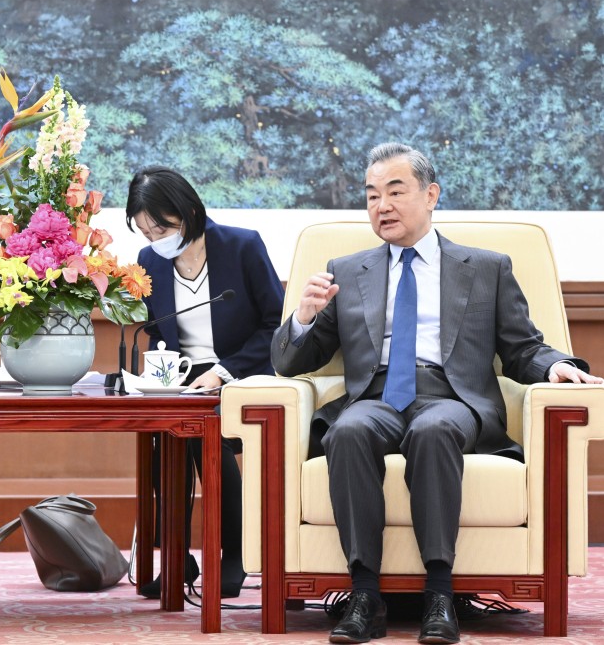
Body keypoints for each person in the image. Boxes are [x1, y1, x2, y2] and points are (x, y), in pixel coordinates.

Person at [271, 142, 602, 644]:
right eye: (371, 195)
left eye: (395, 191)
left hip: (452, 397)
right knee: (348, 430)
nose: (381, 206)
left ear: (431, 195)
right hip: (374, 397)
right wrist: (304, 316)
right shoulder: (346, 271)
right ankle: (364, 596)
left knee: (433, 429)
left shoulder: (486, 267)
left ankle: (440, 595)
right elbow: (291, 362)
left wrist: (556, 365)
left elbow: (521, 348)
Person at [126, 166, 285, 599]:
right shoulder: (150, 262)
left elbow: (275, 325)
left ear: (189, 211)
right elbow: (158, 332)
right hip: (182, 377)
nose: (155, 239)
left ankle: (231, 554)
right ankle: (178, 557)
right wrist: (160, 376)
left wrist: (222, 372)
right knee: (161, 436)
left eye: (161, 227)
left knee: (201, 432)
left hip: (242, 371)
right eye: (144, 231)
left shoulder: (241, 246)